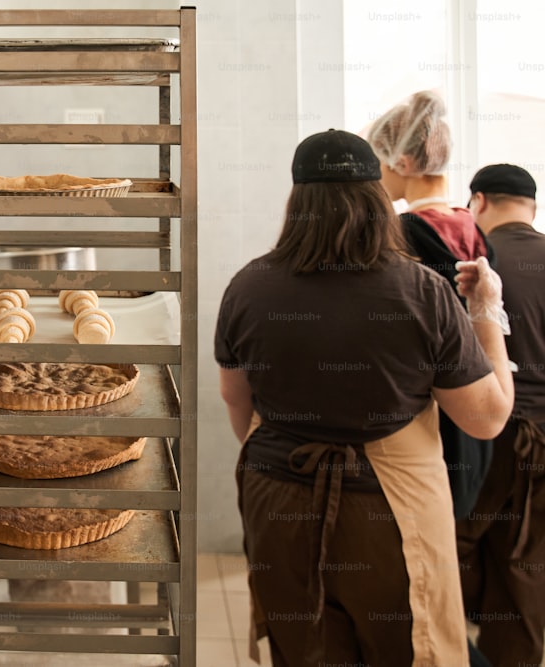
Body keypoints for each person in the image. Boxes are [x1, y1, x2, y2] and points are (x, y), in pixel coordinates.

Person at [215, 129, 513, 665]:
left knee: (306, 650)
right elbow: (487, 418)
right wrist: (487, 311)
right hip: (387, 511)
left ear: (297, 203)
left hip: (277, 501)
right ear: (379, 201)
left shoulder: (248, 285)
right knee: (405, 650)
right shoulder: (422, 291)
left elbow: (236, 402)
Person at [367, 90, 497, 521]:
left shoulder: (401, 233)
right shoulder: (472, 228)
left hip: (422, 419)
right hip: (477, 401)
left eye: (379, 164)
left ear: (402, 164)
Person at [456, 164, 545, 667]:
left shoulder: (474, 263)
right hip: (543, 443)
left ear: (480, 202)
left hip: (482, 439)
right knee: (524, 570)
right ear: (531, 206)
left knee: (451, 551)